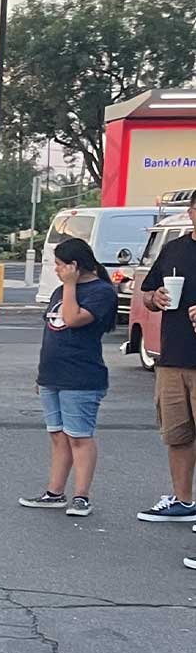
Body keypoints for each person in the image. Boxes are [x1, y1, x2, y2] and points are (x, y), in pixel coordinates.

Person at [18, 237, 117, 518]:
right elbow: (52, 332)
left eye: (60, 265)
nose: (56, 270)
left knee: (79, 437)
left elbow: (73, 320)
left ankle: (82, 496)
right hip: (53, 373)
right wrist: (42, 375)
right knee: (58, 436)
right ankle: (54, 492)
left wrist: (71, 285)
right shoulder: (61, 291)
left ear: (74, 265)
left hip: (81, 376)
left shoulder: (101, 292)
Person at [135, 198, 196, 525]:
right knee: (177, 434)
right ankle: (184, 502)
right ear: (191, 213)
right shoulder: (174, 249)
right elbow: (147, 291)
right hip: (172, 358)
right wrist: (154, 298)